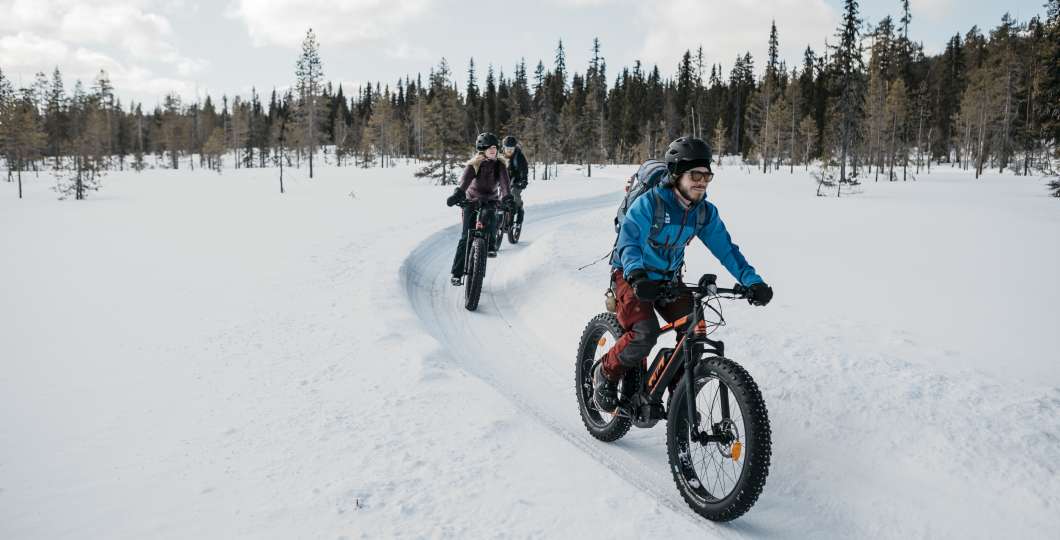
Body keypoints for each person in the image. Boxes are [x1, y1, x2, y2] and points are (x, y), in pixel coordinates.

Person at [594, 136, 774, 412]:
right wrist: (636, 275)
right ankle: (605, 374)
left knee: (695, 328)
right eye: (696, 174)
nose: (702, 181)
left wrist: (752, 281)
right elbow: (628, 241)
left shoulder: (703, 213)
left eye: (707, 175)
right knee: (644, 332)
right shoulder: (650, 204)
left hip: (668, 279)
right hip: (631, 275)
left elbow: (727, 250)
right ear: (677, 174)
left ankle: (680, 398)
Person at [446, 132, 514, 285]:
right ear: (482, 149)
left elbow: (505, 184)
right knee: (465, 237)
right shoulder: (474, 165)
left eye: (495, 148)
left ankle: (490, 245)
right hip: (472, 201)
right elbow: (464, 182)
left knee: (491, 217)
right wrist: (458, 195)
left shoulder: (500, 165)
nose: (493, 150)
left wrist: (507, 198)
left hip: (490, 200)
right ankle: (457, 273)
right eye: (490, 148)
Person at [502, 135, 529, 224]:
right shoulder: (499, 156)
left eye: (511, 149)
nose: (509, 151)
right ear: (503, 148)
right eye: (507, 148)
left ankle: (519, 209)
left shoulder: (519, 157)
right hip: (503, 180)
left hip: (517, 180)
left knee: (513, 192)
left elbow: (524, 170)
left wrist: (523, 180)